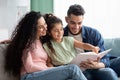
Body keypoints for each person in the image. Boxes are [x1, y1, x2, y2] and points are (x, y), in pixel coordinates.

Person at [4, 11, 87, 80]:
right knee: (72, 69)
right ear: (32, 29)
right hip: (30, 76)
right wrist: (51, 69)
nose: (45, 28)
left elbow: (54, 25)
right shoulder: (27, 43)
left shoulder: (42, 41)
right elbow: (29, 67)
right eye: (41, 27)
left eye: (45, 24)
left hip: (42, 74)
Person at [43, 13, 118, 80]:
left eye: (61, 29)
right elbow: (49, 63)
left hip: (86, 66)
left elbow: (83, 45)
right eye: (56, 31)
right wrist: (56, 71)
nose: (60, 32)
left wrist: (93, 48)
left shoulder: (69, 39)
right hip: (68, 69)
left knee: (108, 72)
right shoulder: (47, 46)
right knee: (87, 76)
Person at [64, 4, 119, 79]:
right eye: (73, 23)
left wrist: (96, 65)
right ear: (67, 19)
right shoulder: (61, 35)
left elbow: (105, 58)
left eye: (79, 23)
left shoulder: (93, 33)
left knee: (108, 73)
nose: (76, 27)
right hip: (79, 70)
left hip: (96, 67)